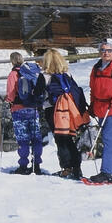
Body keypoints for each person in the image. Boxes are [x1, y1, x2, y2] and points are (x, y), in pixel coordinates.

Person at [42, 49, 86, 180]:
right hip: (69, 109)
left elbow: (39, 94)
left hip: (52, 110)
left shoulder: (44, 76)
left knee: (60, 138)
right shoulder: (67, 74)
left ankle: (67, 168)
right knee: (68, 137)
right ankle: (77, 168)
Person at [88, 41, 112, 183]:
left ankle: (107, 172)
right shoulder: (96, 68)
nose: (106, 53)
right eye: (103, 50)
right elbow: (92, 88)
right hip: (101, 108)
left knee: (109, 138)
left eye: (109, 50)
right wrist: (91, 106)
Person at [6, 52, 44, 175]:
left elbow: (11, 95)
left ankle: (23, 165)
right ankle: (36, 165)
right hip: (33, 109)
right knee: (36, 138)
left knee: (23, 139)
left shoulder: (13, 74)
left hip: (18, 110)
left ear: (12, 61)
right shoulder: (31, 72)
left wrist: (9, 101)